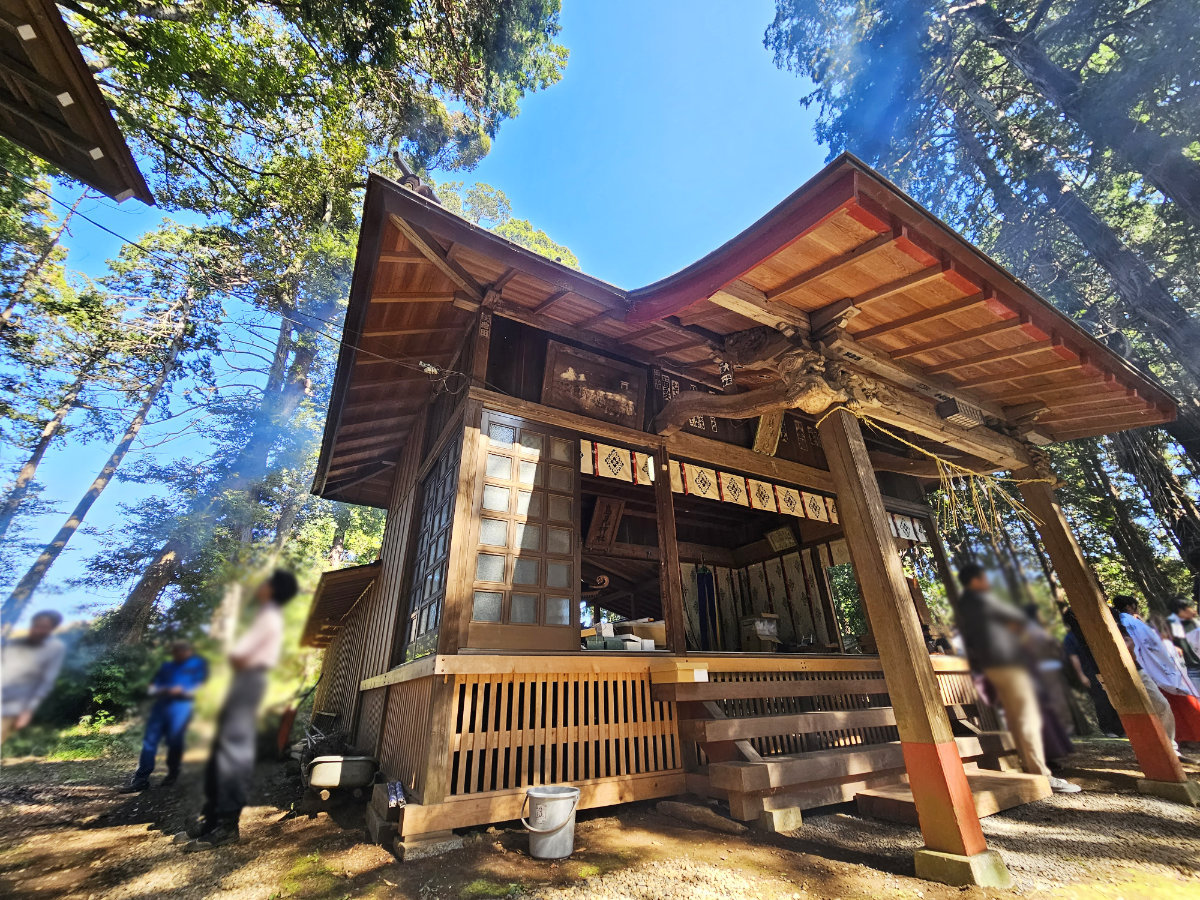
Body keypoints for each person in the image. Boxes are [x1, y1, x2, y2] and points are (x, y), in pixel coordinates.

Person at [179, 569, 298, 851]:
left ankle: (225, 827)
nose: (261, 585)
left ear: (273, 589)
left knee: (232, 755)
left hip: (250, 685)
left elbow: (242, 658)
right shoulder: (264, 616)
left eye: (266, 582)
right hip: (244, 685)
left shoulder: (270, 616)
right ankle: (211, 821)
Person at [955, 564, 1081, 792]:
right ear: (975, 580)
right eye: (984, 577)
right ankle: (1040, 773)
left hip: (998, 665)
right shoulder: (982, 604)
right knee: (1027, 718)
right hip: (1007, 664)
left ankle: (1034, 766)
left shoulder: (970, 606)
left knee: (1021, 718)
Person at [119, 640, 209, 792]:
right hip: (160, 706)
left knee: (174, 742)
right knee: (149, 740)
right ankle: (141, 779)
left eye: (181, 651)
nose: (177, 655)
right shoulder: (166, 666)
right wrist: (161, 690)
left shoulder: (197, 664)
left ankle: (173, 772)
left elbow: (200, 685)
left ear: (188, 652)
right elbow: (152, 686)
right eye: (175, 652)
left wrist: (183, 690)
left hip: (182, 707)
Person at [1114, 594, 1200, 751]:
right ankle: (1187, 739)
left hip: (1157, 670)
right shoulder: (1132, 623)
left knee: (1174, 705)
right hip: (1161, 669)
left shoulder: (1128, 623)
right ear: (1130, 606)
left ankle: (1184, 739)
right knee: (1178, 704)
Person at [1, 610, 66, 743]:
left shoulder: (55, 648)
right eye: (36, 625)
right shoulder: (13, 643)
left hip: (13, 705)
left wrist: (28, 710)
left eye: (44, 627)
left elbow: (46, 681)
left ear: (52, 629)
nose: (38, 630)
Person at [1062, 610, 1124, 737]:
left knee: (1114, 698)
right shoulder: (1070, 638)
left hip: (1102, 670)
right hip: (1088, 672)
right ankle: (1108, 729)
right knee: (1102, 700)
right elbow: (1073, 658)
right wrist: (1081, 676)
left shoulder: (1088, 632)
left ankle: (1121, 728)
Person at [1166, 597, 1200, 694]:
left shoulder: (1192, 622)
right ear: (1181, 610)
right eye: (1191, 607)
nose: (1194, 610)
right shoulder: (1172, 624)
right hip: (1193, 670)